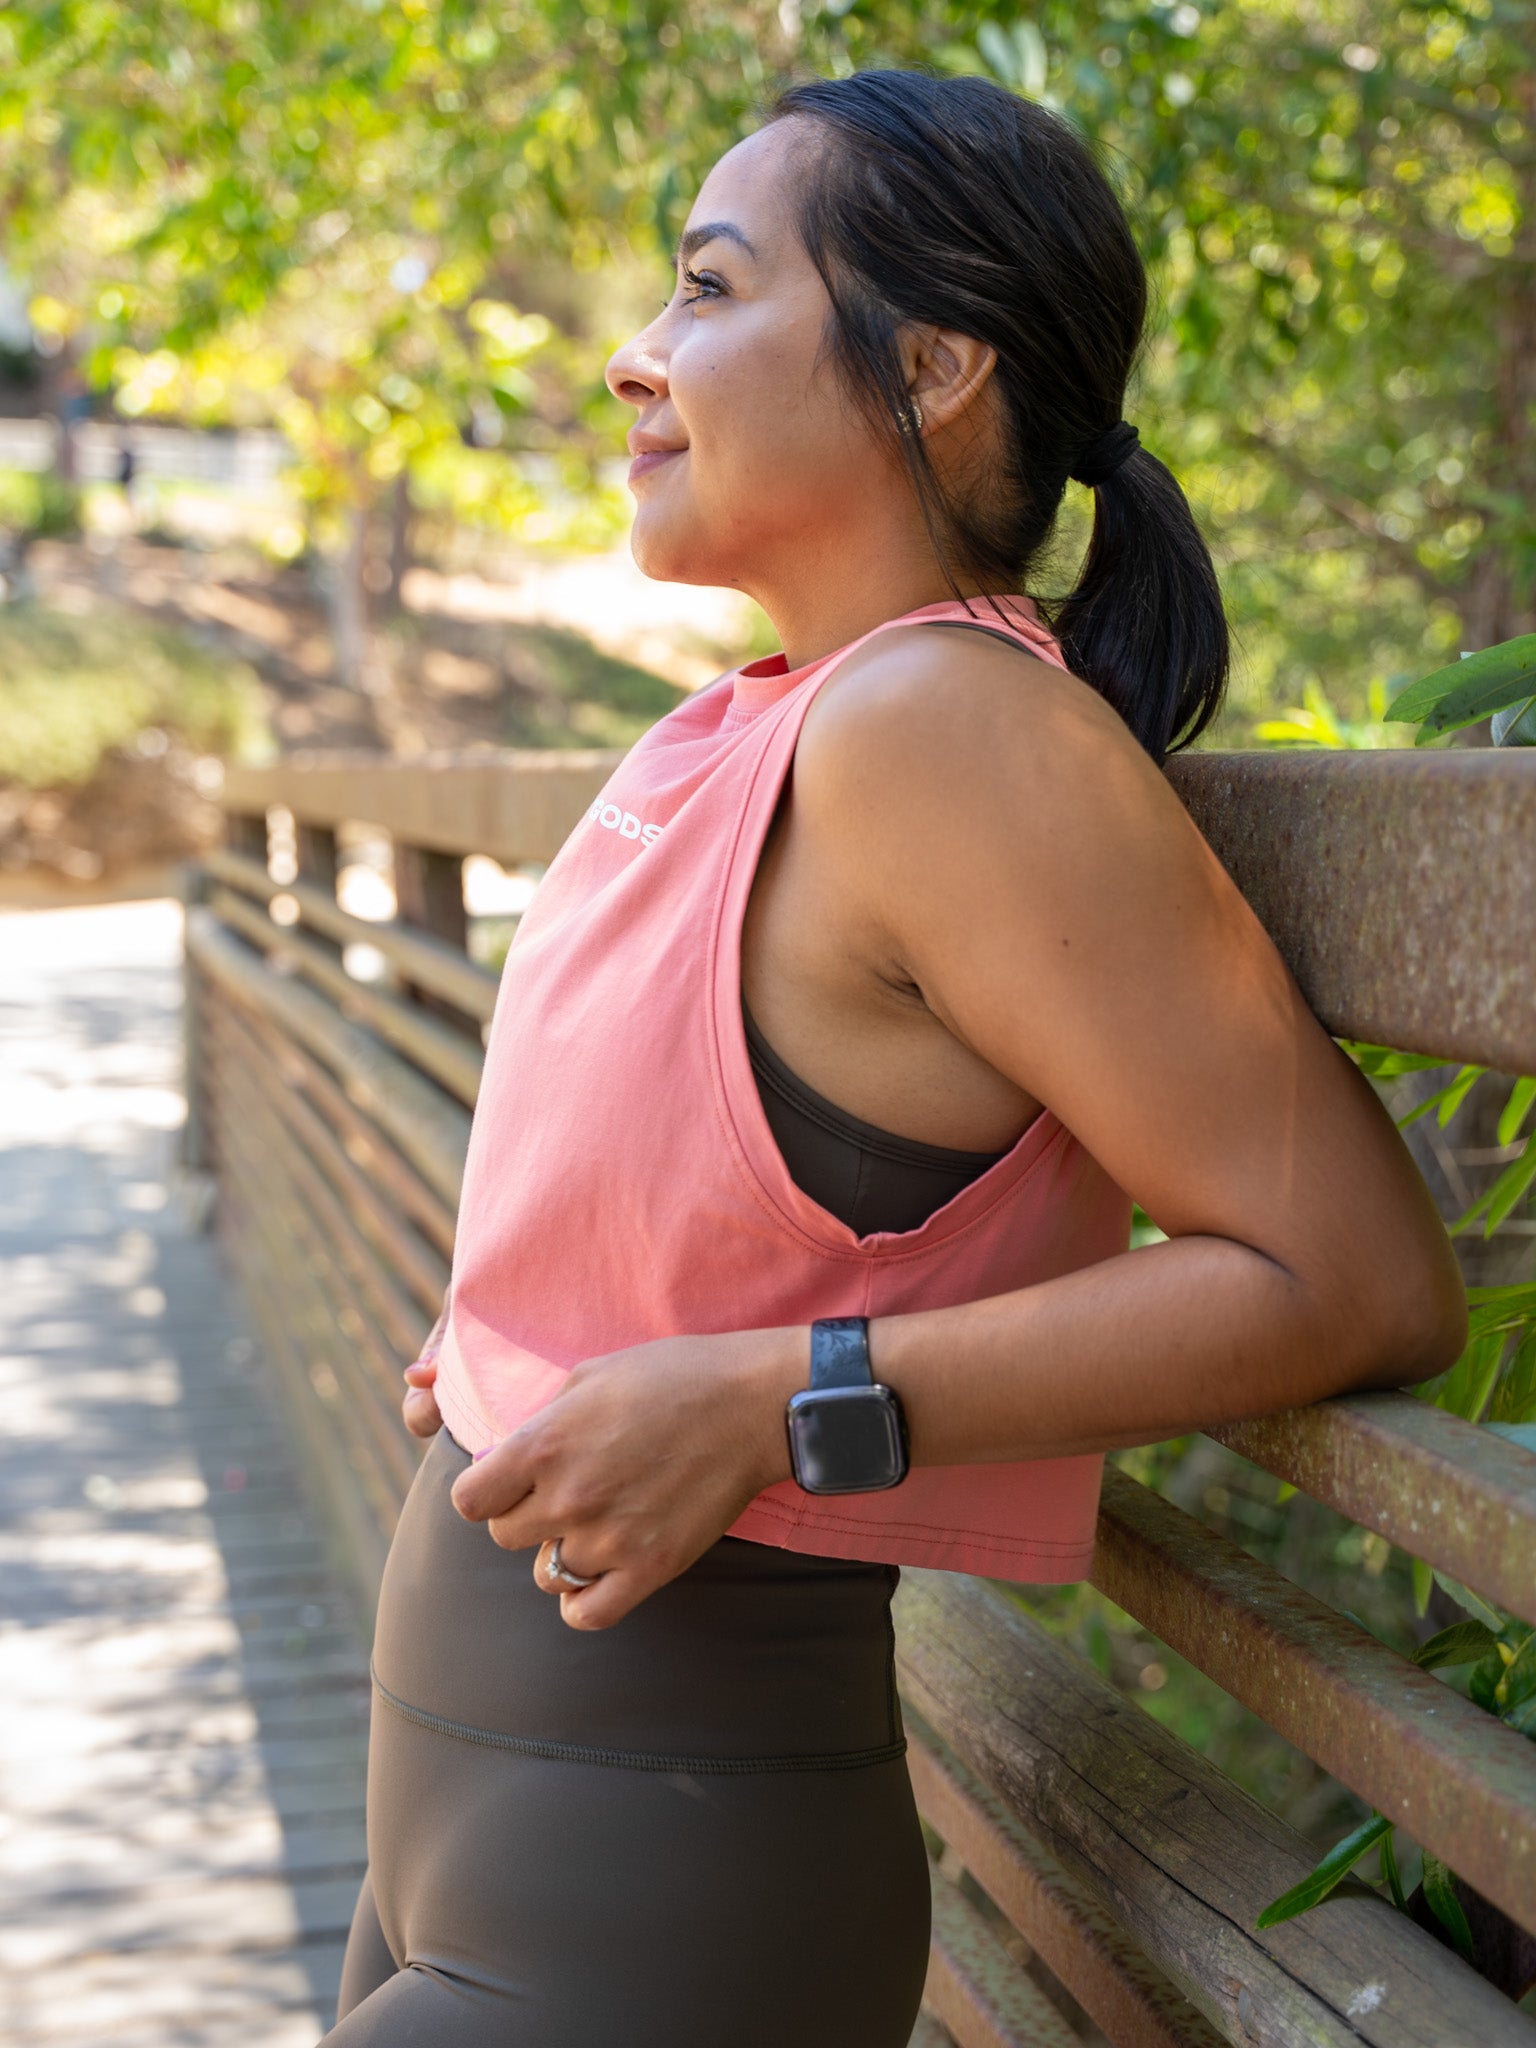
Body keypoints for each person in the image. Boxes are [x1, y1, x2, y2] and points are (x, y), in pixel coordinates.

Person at [324, 70, 1465, 2047]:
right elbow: (721, 1174)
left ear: (933, 363)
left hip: (645, 1900)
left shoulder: (943, 731)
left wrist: (790, 1402)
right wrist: (520, 1328)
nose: (632, 357)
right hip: (481, 1839)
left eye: (703, 288)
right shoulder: (770, 721)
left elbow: (1353, 1277)